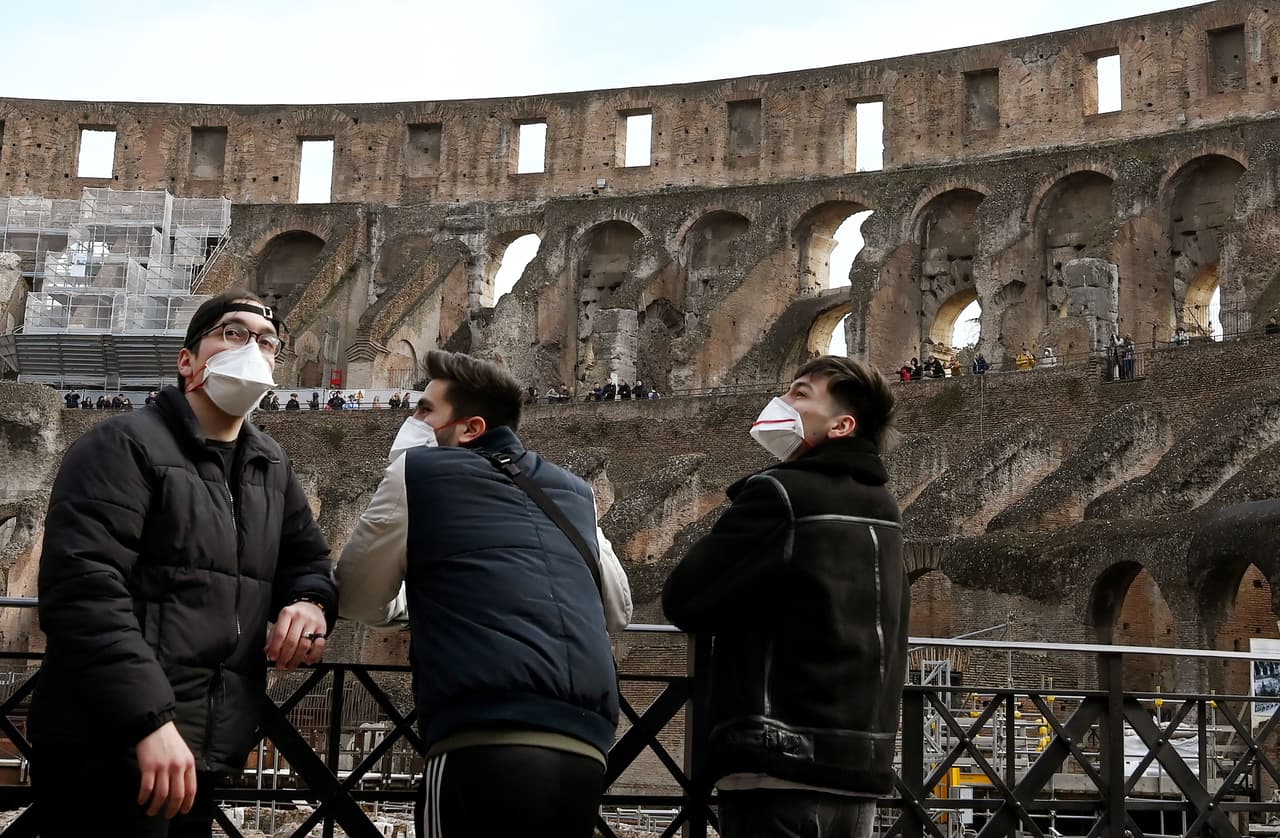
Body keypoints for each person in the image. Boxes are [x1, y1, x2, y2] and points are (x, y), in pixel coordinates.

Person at [30, 289, 336, 837]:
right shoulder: (120, 446)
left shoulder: (270, 465)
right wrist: (148, 721)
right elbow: (84, 592)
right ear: (188, 359)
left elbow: (308, 559)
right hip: (109, 743)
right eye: (233, 333)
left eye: (267, 342)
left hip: (203, 748)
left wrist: (310, 602)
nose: (253, 349)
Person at [336, 350, 630, 838]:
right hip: (587, 746)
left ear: (470, 428)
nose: (411, 419)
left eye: (425, 410)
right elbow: (616, 609)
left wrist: (417, 605)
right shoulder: (574, 491)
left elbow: (358, 598)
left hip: (482, 735)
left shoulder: (418, 474)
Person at [662, 355, 908, 838]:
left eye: (799, 393)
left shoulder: (780, 493)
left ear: (841, 425)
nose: (782, 402)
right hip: (862, 763)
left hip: (781, 758)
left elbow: (684, 598)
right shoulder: (886, 508)